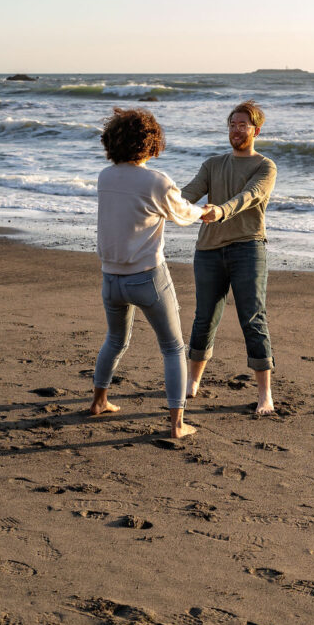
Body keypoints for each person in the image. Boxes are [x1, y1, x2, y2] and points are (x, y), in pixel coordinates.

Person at [90, 107, 214, 439]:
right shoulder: (155, 180)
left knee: (115, 340)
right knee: (173, 347)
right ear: (150, 142)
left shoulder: (105, 176)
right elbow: (182, 212)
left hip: (111, 278)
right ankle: (177, 424)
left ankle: (99, 400)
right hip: (147, 277)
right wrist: (206, 212)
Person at [181, 100, 277, 416]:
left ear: (256, 130)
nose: (236, 130)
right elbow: (188, 194)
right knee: (204, 316)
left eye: (243, 125)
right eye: (232, 125)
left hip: (248, 248)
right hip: (208, 250)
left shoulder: (265, 166)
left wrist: (221, 210)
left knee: (252, 316)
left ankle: (265, 394)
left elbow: (249, 197)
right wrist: (158, 202)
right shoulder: (212, 164)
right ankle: (192, 383)